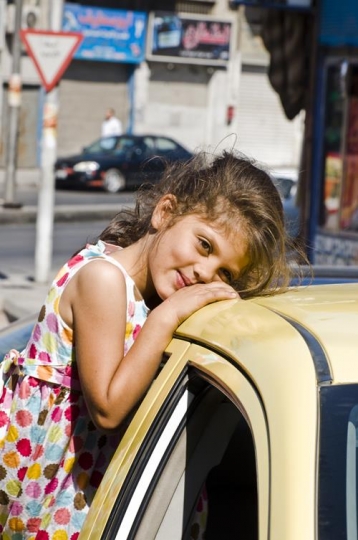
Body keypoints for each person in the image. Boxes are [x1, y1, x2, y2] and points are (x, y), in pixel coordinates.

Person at [0, 150, 296, 538]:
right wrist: (166, 317)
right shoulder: (105, 280)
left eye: (225, 271)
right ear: (164, 213)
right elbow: (107, 409)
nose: (206, 272)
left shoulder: (142, 290)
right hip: (54, 493)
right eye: (204, 245)